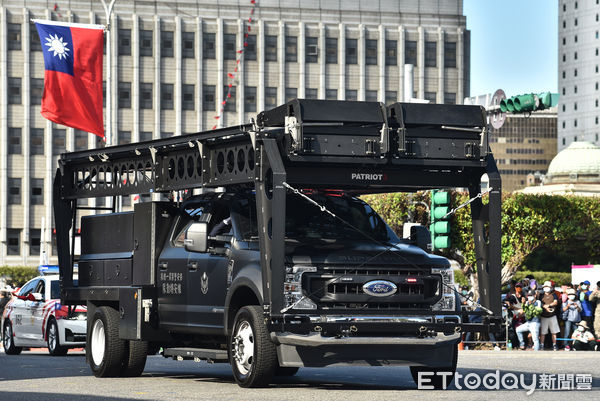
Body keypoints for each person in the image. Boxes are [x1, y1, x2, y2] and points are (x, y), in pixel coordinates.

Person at [539, 281, 560, 350]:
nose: (546, 288)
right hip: (543, 316)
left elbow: (555, 302)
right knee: (543, 332)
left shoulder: (554, 295)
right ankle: (541, 345)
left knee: (554, 332)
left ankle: (554, 345)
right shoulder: (541, 295)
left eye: (548, 287)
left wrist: (548, 305)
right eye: (545, 287)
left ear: (550, 287)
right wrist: (545, 306)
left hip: (552, 316)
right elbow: (539, 303)